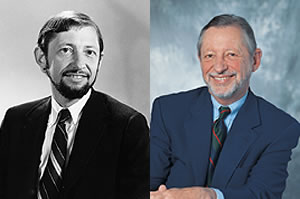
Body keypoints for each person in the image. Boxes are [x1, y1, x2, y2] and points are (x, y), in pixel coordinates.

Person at [0, 11, 149, 199]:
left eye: (89, 52)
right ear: (41, 58)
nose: (79, 64)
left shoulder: (127, 126)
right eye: (66, 50)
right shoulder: (16, 120)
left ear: (99, 61)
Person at [150, 14, 300, 199]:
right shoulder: (168, 110)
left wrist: (210, 196)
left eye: (231, 54)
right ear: (200, 59)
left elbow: (263, 194)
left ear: (255, 60)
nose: (219, 67)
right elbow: (147, 182)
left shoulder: (280, 127)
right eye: (210, 56)